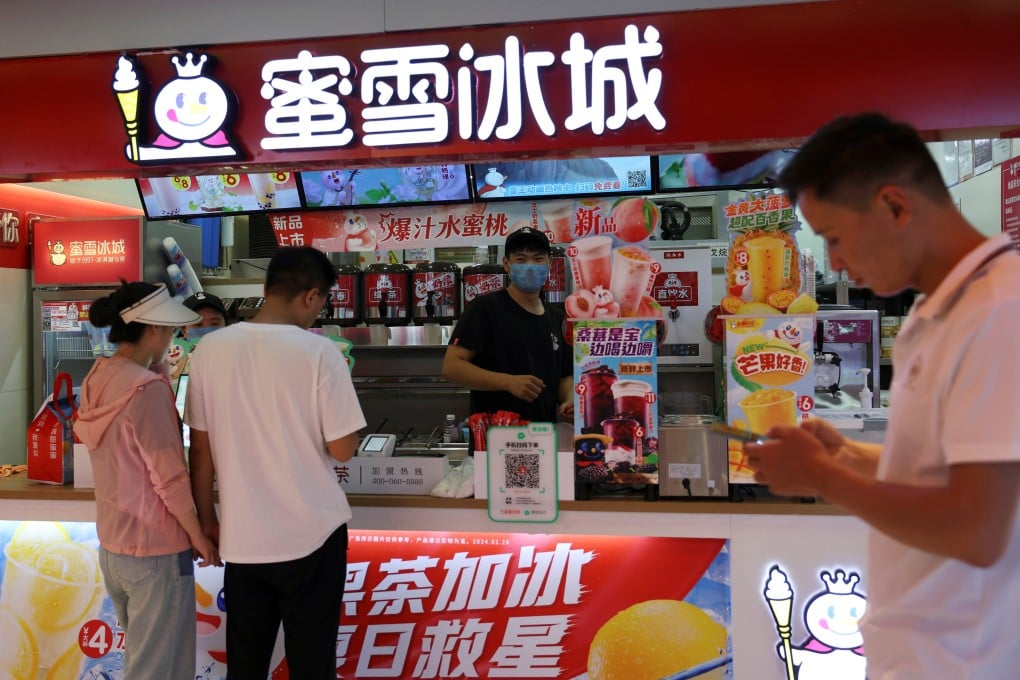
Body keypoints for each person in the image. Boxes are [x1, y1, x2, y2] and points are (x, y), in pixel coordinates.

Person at [745, 112, 1020, 678]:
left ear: (895, 206)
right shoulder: (934, 307)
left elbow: (976, 529)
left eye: (836, 239)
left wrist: (823, 478)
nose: (836, 262)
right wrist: (844, 456)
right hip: (916, 654)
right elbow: (934, 475)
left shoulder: (999, 310)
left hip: (964, 660)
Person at [185, 246, 366, 679]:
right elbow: (342, 449)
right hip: (314, 535)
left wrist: (206, 519)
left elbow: (202, 451)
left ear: (267, 289)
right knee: (312, 664)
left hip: (244, 541)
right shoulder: (320, 353)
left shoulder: (209, 351)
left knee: (245, 666)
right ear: (312, 297)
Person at [75, 281, 219, 680]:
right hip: (156, 551)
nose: (173, 339)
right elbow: (169, 477)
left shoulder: (97, 375)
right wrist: (197, 534)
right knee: (162, 670)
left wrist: (157, 367)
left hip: (116, 549)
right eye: (170, 331)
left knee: (143, 663)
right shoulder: (147, 389)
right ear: (154, 330)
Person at [443, 226, 573, 425]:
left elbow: (564, 374)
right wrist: (507, 382)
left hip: (543, 438)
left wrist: (570, 399)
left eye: (538, 259)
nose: (530, 266)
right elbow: (452, 367)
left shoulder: (557, 317)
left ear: (549, 263)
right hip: (495, 441)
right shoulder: (484, 308)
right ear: (506, 264)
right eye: (521, 259)